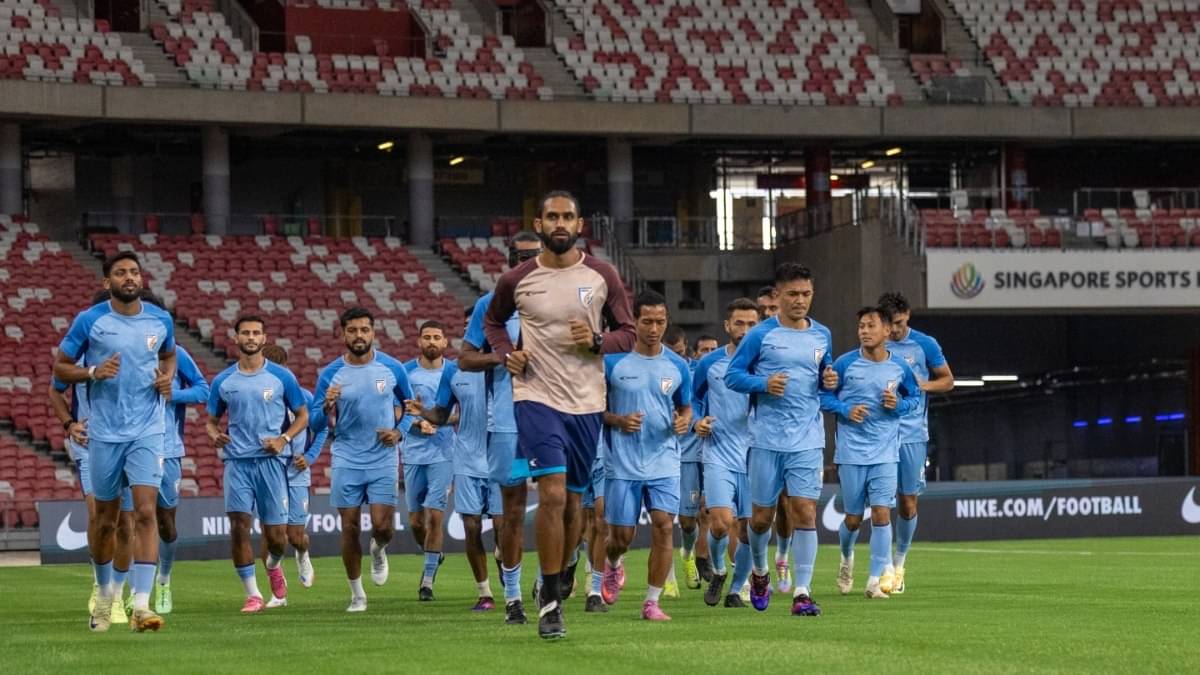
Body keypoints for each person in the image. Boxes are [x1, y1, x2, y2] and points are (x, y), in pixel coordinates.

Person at [483, 190, 636, 639]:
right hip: (535, 396)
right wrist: (507, 354)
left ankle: (562, 569)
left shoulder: (603, 275)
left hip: (587, 403)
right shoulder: (517, 279)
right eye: (552, 217)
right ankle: (550, 604)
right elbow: (493, 322)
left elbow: (627, 334)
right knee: (550, 495)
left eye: (568, 216)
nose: (560, 223)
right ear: (540, 223)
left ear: (580, 224)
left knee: (573, 505)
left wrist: (596, 341)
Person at [54, 252, 176, 633]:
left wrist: (167, 377)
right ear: (107, 282)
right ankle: (105, 594)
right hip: (104, 433)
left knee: (144, 513)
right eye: (121, 273)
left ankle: (140, 606)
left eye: (134, 272)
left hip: (148, 430)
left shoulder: (161, 319)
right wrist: (92, 371)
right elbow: (60, 368)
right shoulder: (90, 321)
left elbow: (169, 355)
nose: (129, 277)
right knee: (105, 521)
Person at [726, 263, 837, 617]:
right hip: (766, 439)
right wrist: (763, 383)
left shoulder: (822, 335)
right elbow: (733, 376)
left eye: (806, 294)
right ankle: (760, 572)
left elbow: (824, 379)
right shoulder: (760, 335)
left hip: (808, 438)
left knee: (805, 511)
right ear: (778, 295)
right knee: (761, 519)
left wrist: (830, 382)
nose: (800, 300)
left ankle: (802, 592)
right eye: (793, 294)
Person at [457, 230, 542, 625]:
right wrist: (502, 358)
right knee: (511, 513)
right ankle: (513, 598)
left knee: (564, 505)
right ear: (510, 261)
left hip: (555, 417)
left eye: (535, 255)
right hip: (509, 424)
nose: (528, 263)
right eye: (521, 257)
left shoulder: (562, 301)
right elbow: (465, 359)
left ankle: (549, 580)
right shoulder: (489, 305)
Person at [309, 307, 414, 612]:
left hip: (383, 457)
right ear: (342, 334)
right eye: (352, 330)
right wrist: (326, 407)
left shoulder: (393, 368)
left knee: (383, 526)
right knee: (350, 526)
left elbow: (410, 408)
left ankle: (378, 549)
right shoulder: (330, 374)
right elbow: (315, 424)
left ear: (373, 333)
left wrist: (399, 432)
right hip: (346, 457)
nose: (359, 335)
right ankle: (357, 594)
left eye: (364, 330)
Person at [46, 288, 138, 626]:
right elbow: (55, 390)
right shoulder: (79, 353)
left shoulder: (138, 350)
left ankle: (117, 594)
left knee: (126, 524)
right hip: (91, 445)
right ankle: (101, 587)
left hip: (131, 443)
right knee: (101, 517)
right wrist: (69, 424)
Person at [599, 290, 692, 621]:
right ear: (634, 322)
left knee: (664, 526)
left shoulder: (678, 365)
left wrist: (684, 421)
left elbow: (685, 406)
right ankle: (613, 563)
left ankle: (652, 602)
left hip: (664, 459)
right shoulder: (613, 364)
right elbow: (595, 410)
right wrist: (618, 420)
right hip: (622, 463)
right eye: (647, 321)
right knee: (620, 538)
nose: (654, 329)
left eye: (660, 322)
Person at [207, 315, 308, 614]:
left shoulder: (282, 377)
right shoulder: (223, 381)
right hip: (237, 463)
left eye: (256, 333)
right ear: (236, 338)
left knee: (277, 539)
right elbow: (211, 421)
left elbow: (303, 415)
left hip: (272, 464)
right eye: (245, 333)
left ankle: (274, 567)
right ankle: (252, 595)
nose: (250, 337)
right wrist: (214, 435)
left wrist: (284, 440)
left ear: (264, 338)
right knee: (239, 527)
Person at [821, 306, 920, 599]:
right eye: (861, 326)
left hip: (886, 452)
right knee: (853, 518)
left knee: (881, 513)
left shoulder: (899, 367)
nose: (864, 331)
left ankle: (875, 580)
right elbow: (823, 397)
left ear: (886, 331)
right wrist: (845, 409)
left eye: (870, 325)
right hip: (851, 453)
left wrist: (898, 405)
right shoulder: (844, 364)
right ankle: (846, 558)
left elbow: (914, 397)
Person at [412, 336, 504, 612]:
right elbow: (442, 413)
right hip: (466, 460)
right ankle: (485, 593)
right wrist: (423, 412)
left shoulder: (506, 363)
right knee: (471, 527)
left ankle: (506, 567)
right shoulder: (453, 369)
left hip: (501, 459)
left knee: (504, 531)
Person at [878, 291, 954, 593]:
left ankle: (899, 564)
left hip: (912, 434)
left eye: (899, 323)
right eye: (890, 324)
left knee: (908, 502)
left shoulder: (925, 344)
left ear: (907, 316)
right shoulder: (874, 343)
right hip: (879, 434)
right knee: (881, 503)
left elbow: (948, 380)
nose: (895, 330)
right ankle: (884, 568)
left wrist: (922, 385)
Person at [693, 298, 760, 608]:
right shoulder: (710, 363)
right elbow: (692, 400)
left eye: (751, 324)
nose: (745, 330)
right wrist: (697, 421)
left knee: (749, 531)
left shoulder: (766, 363)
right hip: (718, 452)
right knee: (720, 523)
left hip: (757, 456)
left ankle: (735, 589)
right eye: (739, 323)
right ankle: (719, 569)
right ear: (727, 325)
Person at [259, 343, 326, 604]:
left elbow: (321, 428)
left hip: (296, 472)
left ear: (286, 369)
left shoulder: (303, 397)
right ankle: (277, 592)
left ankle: (302, 552)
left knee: (295, 536)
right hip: (269, 470)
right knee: (270, 534)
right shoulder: (258, 396)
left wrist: (309, 457)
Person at [401, 320, 456, 602]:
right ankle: (434, 554)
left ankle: (427, 581)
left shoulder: (455, 372)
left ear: (445, 342)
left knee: (435, 515)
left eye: (437, 337)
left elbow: (463, 410)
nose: (432, 341)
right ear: (419, 341)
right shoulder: (405, 372)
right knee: (415, 521)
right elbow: (396, 411)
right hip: (413, 452)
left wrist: (443, 421)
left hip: (444, 453)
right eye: (427, 337)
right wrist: (416, 424)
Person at [754, 284, 793, 593]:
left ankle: (782, 557)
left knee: (787, 502)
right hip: (751, 437)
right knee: (756, 514)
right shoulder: (752, 344)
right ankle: (753, 569)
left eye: (772, 308)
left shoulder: (798, 343)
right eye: (763, 309)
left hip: (790, 437)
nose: (767, 314)